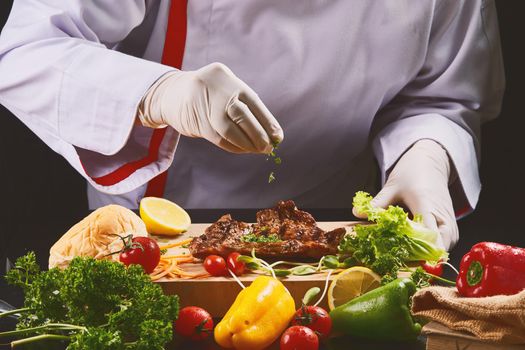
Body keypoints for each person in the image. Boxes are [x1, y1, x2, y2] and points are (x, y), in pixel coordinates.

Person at [0, 0, 504, 250]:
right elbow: (26, 52)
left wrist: (425, 155)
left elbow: (438, 93)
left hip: (339, 229)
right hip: (152, 231)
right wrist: (157, 94)